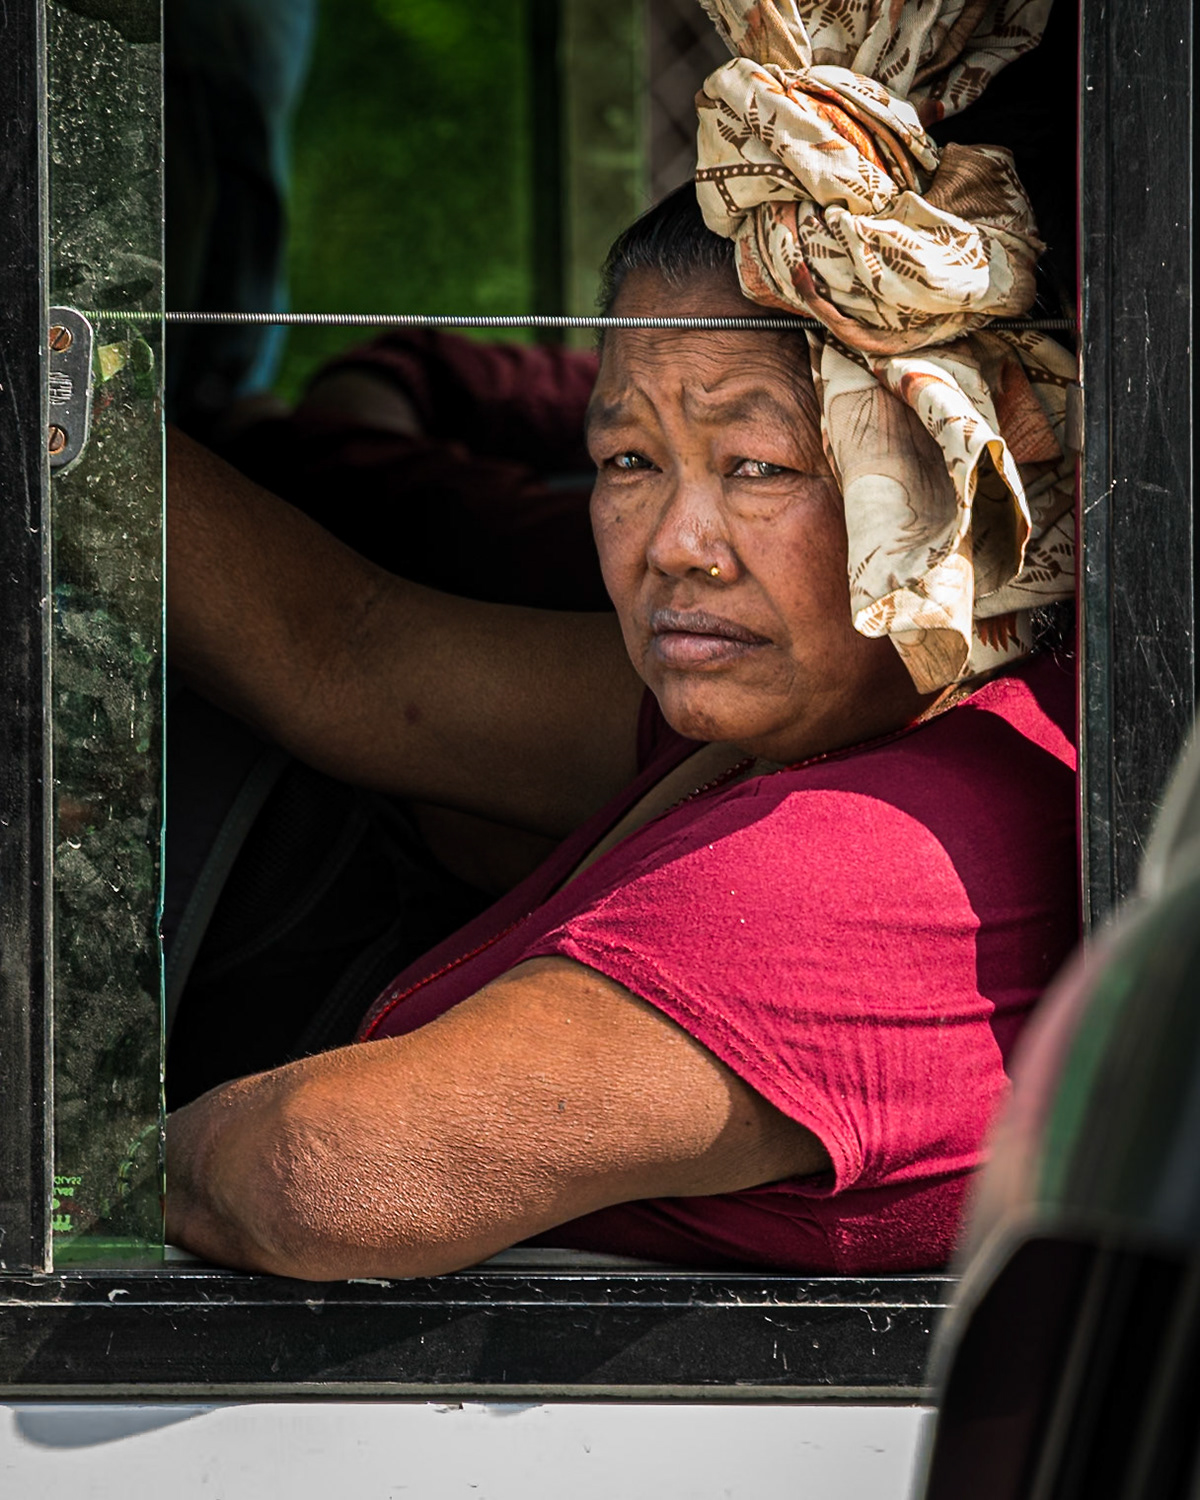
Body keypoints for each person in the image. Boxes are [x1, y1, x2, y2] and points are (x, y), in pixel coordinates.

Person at [163, 183, 1078, 1280]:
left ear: (946, 477)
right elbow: (352, 652)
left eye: (758, 467)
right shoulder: (844, 710)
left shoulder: (885, 861)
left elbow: (316, 1174)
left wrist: (79, 1172)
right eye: (630, 462)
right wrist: (71, 416)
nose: (676, 545)